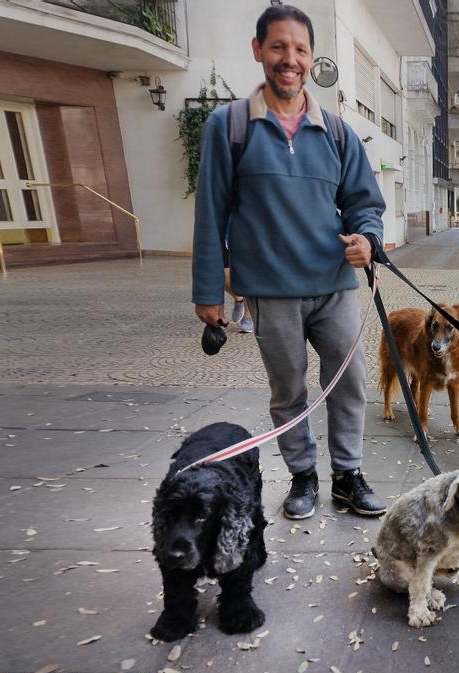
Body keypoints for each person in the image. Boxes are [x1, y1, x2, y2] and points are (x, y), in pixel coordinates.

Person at [192, 5, 386, 519]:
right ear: (258, 51)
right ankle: (303, 476)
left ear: (311, 57)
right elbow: (210, 211)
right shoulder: (229, 126)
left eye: (300, 49)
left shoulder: (338, 132)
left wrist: (367, 239)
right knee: (289, 388)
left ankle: (348, 475)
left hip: (334, 284)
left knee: (349, 381)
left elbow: (364, 203)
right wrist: (207, 290)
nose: (289, 59)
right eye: (278, 47)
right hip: (270, 291)